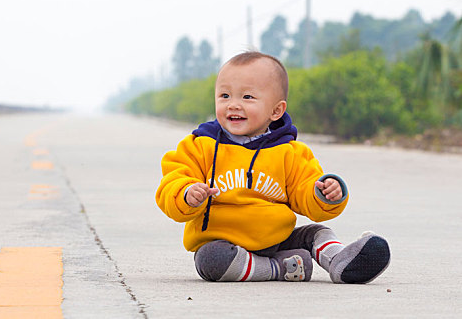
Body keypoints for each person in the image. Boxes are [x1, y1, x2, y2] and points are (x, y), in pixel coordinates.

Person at [156, 51, 390, 283]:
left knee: (317, 233)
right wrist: (186, 193)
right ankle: (279, 268)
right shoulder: (200, 146)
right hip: (223, 244)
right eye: (225, 95)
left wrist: (324, 193)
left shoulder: (290, 152)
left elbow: (305, 189)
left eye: (247, 97)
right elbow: (173, 180)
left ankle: (341, 261)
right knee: (211, 261)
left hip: (278, 238)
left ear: (276, 110)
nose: (233, 105)